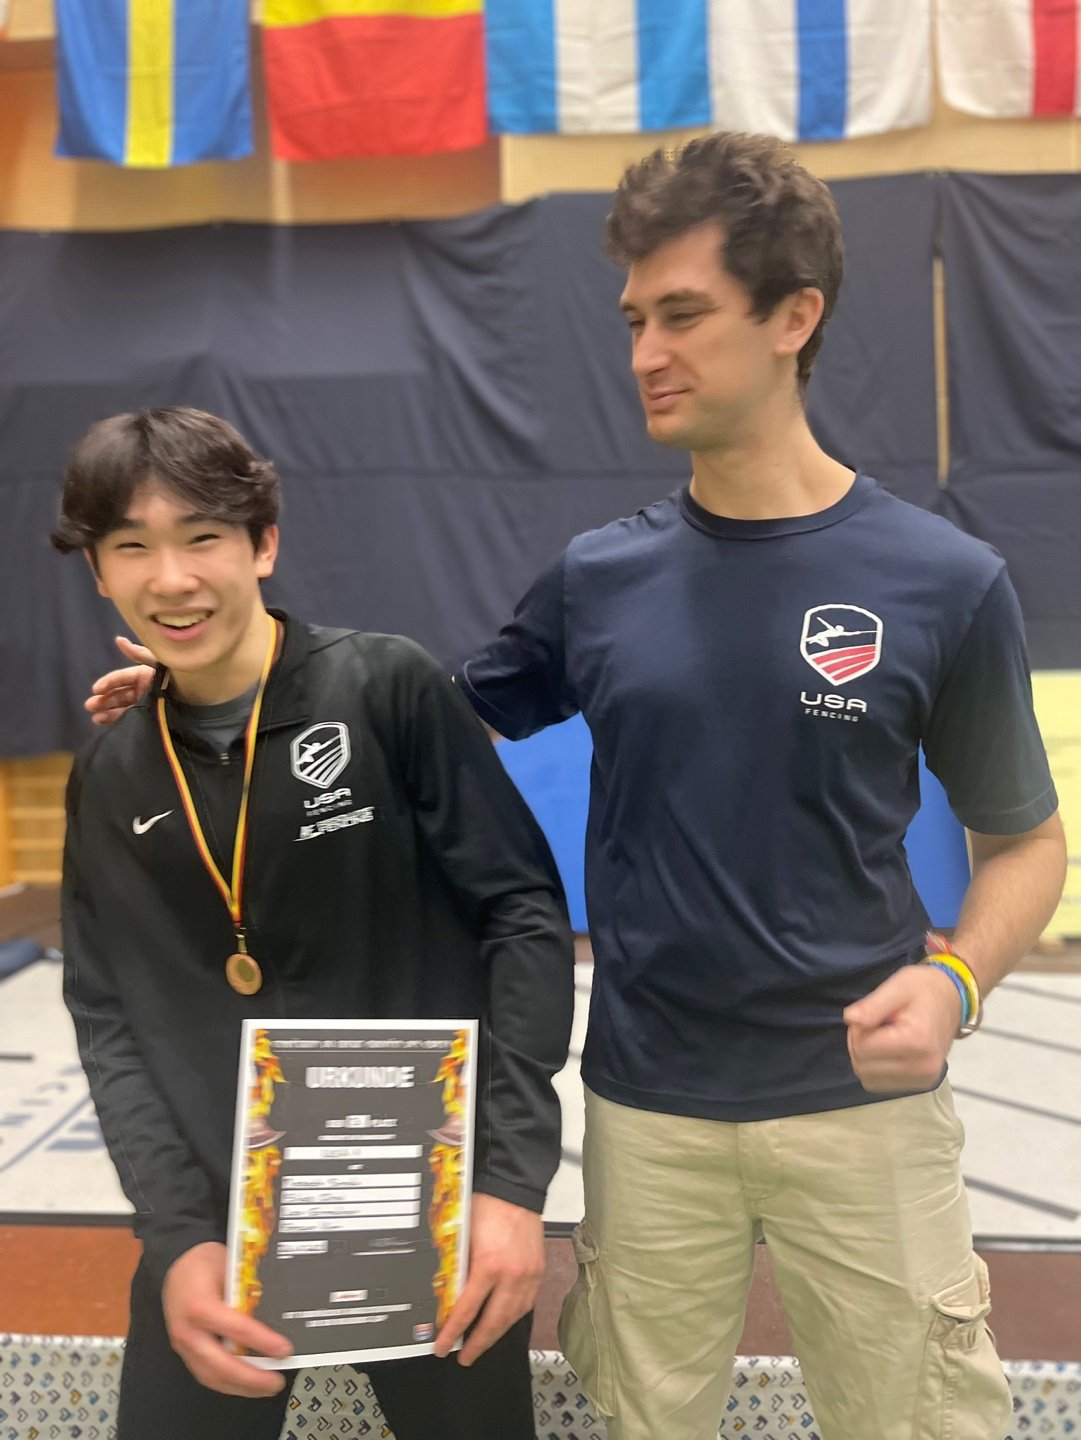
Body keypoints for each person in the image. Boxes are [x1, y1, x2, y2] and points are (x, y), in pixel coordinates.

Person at [85, 136, 1068, 1440]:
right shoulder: (598, 579)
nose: (645, 353)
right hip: (648, 1114)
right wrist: (202, 678)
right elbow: (403, 725)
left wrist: (954, 985)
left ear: (794, 317)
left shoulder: (942, 580)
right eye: (631, 320)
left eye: (681, 316)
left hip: (865, 1120)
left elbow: (1028, 847)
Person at [54, 405, 574, 1440]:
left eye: (202, 537)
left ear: (264, 543)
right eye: (132, 548)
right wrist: (176, 1237)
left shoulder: (386, 690)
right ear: (101, 573)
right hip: (219, 1234)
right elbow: (108, 1013)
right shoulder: (114, 773)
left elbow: (521, 917)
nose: (171, 578)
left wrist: (511, 1187)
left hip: (429, 1215)